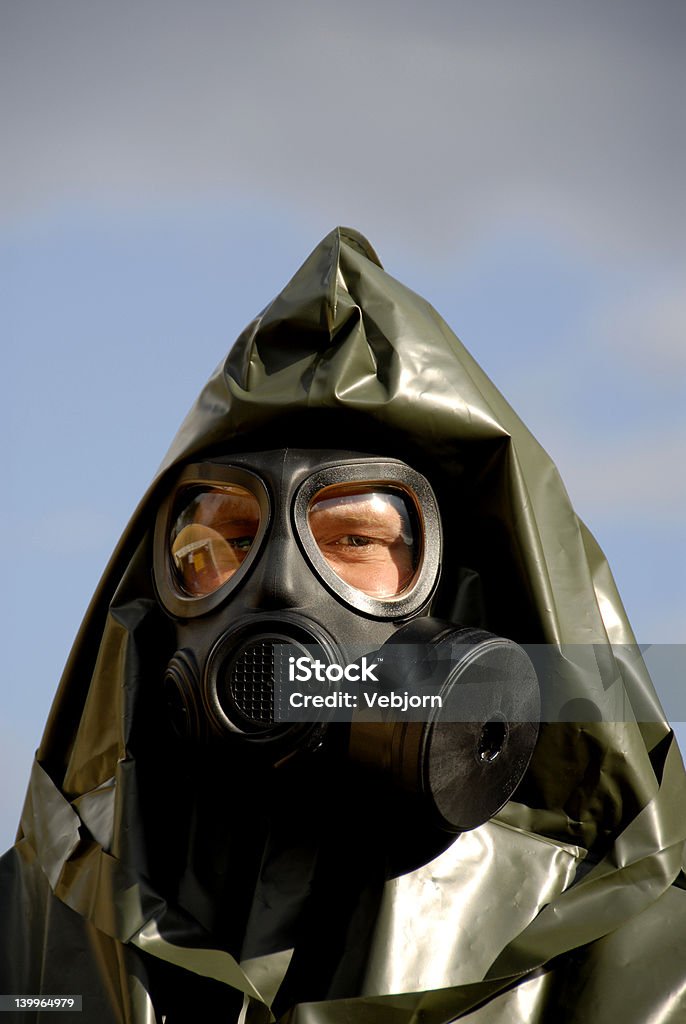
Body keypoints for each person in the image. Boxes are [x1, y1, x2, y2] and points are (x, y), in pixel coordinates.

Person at [1, 227, 685, 1022]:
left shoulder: (654, 970)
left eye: (353, 539)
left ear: (465, 598)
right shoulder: (31, 945)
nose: (277, 591)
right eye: (217, 541)